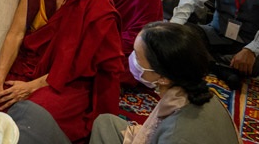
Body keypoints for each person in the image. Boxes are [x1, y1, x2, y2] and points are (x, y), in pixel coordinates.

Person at [0, 0, 125, 142]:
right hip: (26, 67)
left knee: (31, 115)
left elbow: (80, 64)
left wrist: (31, 88)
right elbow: (16, 34)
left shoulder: (96, 3)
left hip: (66, 81)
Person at [89, 22, 240, 144]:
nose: (131, 59)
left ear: (163, 77)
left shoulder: (176, 134)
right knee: (105, 122)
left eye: (137, 56)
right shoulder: (201, 94)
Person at [87, 0, 163, 86]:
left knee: (136, 67)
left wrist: (100, 48)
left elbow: (141, 35)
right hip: (92, 40)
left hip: (123, 49)